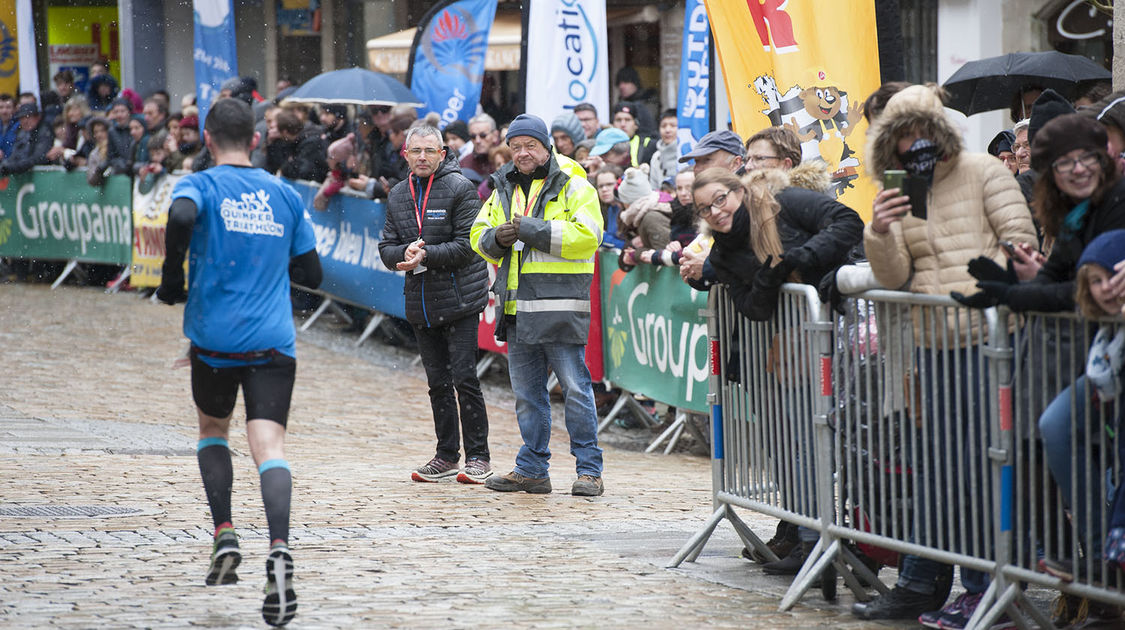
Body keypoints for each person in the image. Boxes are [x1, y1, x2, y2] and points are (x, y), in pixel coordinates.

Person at [857, 83, 1038, 627]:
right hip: (933, 346)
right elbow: (895, 275)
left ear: (937, 131)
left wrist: (995, 290)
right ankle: (967, 585)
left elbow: (1019, 238)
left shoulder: (984, 170)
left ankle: (992, 587)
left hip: (990, 341)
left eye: (919, 132)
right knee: (944, 470)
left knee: (986, 465)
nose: (913, 143)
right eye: (901, 135)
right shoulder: (900, 187)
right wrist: (880, 231)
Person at [155, 97, 321, 628]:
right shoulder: (284, 194)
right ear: (255, 138)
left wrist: (172, 279)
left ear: (207, 138)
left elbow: (180, 216)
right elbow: (313, 274)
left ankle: (224, 531)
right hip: (273, 340)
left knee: (212, 429)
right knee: (269, 446)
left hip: (215, 339)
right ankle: (279, 547)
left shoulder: (199, 185)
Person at [470, 114, 605, 496]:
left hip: (561, 305)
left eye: (531, 145)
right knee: (528, 396)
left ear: (547, 147)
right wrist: (497, 236)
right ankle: (532, 469)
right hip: (516, 308)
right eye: (516, 146)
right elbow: (477, 236)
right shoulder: (503, 186)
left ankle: (589, 470)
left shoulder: (575, 184)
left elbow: (589, 236)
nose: (523, 153)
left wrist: (532, 230)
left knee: (575, 390)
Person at [378, 125, 492, 484]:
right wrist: (403, 253)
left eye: (430, 151)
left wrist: (423, 254)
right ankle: (446, 456)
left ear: (443, 154)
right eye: (416, 151)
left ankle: (479, 457)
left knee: (464, 377)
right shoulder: (398, 194)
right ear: (406, 155)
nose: (423, 157)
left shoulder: (461, 188)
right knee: (437, 382)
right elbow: (386, 248)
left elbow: (467, 246)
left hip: (461, 298)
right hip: (421, 302)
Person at [0, 103, 53, 175]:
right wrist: (6, 165)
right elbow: (15, 155)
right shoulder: (20, 133)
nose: (25, 121)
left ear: (38, 117)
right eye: (22, 118)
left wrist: (14, 167)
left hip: (40, 177)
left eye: (28, 117)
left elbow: (38, 158)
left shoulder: (44, 132)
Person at [679, 129, 745, 174]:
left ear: (735, 164)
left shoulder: (748, 193)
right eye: (696, 161)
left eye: (707, 160)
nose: (697, 169)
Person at [611, 102, 656, 167]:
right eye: (618, 120)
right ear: (613, 124)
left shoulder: (648, 144)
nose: (623, 124)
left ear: (636, 125)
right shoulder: (605, 145)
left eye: (627, 120)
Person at [648, 109, 679, 189]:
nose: (667, 130)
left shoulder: (687, 152)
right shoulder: (656, 156)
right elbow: (654, 187)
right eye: (663, 126)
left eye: (673, 126)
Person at [461, 112, 499, 177]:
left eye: (483, 135)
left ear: (495, 135)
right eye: (473, 136)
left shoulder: (506, 158)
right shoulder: (465, 163)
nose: (477, 141)